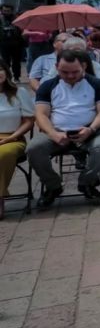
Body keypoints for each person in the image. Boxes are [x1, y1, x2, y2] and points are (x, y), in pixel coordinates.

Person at [29, 50, 100, 207]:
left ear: (84, 66)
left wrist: (91, 129)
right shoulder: (47, 86)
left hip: (90, 132)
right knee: (34, 148)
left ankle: (86, 182)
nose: (70, 76)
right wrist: (53, 134)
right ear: (56, 67)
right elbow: (41, 114)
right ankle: (53, 185)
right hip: (56, 132)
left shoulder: (96, 84)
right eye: (65, 72)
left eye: (75, 72)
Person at [0, 59, 34, 218]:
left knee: (3, 154)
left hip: (13, 137)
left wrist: (11, 137)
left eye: (0, 69)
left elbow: (29, 121)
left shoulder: (19, 93)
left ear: (6, 72)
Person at [0, 4, 23, 82]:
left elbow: (21, 30)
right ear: (1, 11)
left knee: (16, 62)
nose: (6, 12)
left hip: (16, 44)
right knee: (6, 62)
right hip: (4, 44)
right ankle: (7, 77)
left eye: (8, 11)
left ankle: (16, 77)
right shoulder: (0, 19)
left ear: (11, 11)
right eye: (4, 11)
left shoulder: (17, 19)